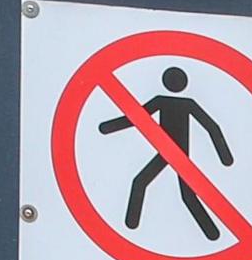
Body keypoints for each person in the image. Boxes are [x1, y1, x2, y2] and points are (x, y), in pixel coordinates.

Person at [100, 65, 236, 239]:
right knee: (152, 185)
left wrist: (225, 157)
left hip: (176, 155)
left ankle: (213, 233)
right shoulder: (174, 102)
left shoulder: (172, 102)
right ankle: (213, 233)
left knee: (151, 185)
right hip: (169, 152)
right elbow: (136, 117)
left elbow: (211, 127)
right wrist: (225, 157)